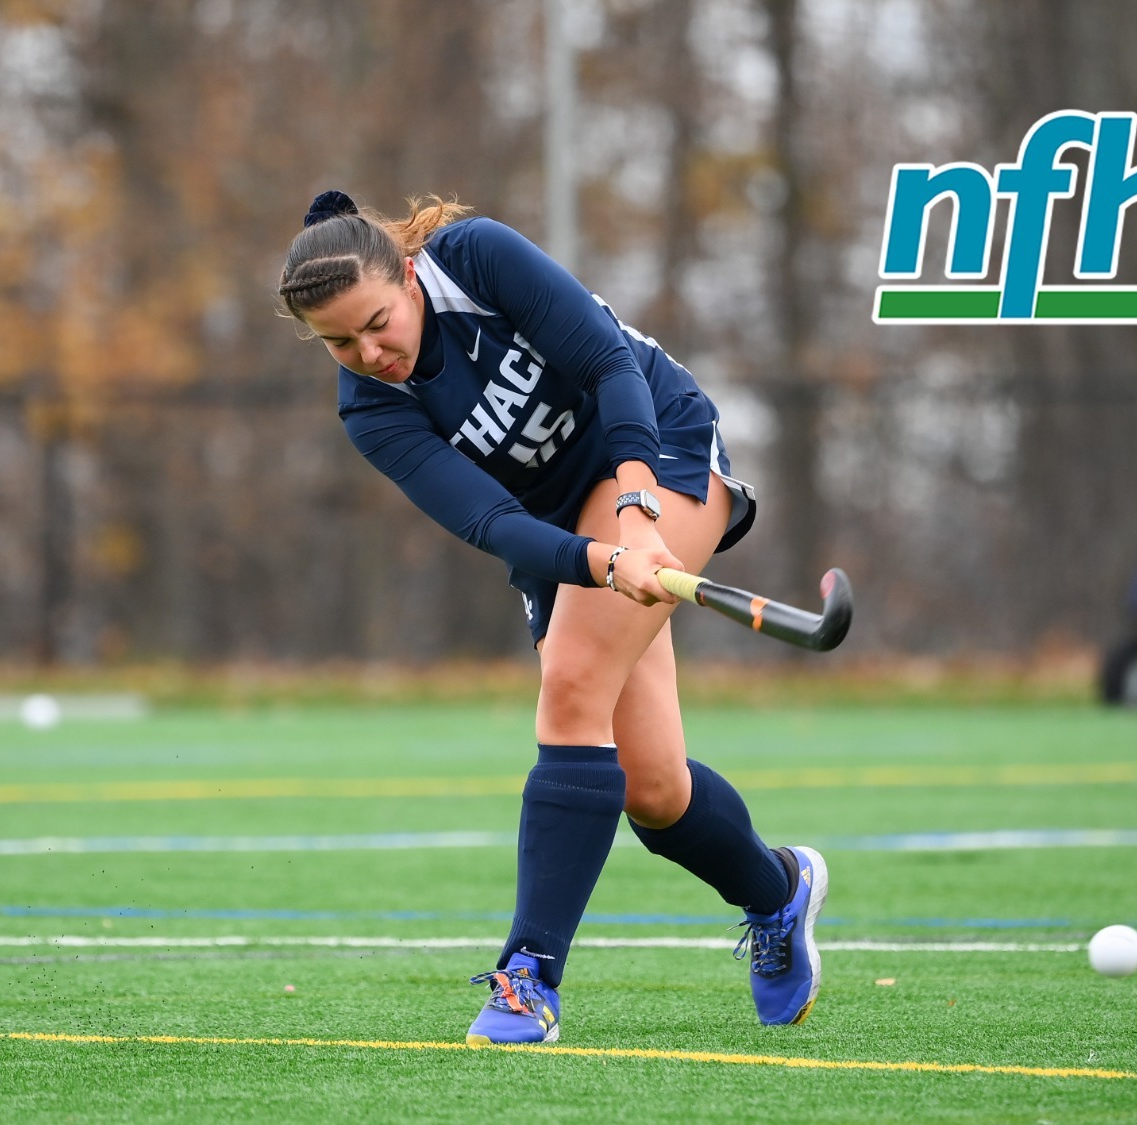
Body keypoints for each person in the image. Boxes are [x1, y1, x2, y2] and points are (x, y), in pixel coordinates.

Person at [276, 190, 828, 1046]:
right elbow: (491, 523)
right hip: (558, 528)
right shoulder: (371, 408)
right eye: (339, 343)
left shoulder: (477, 259)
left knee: (570, 683)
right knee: (653, 790)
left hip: (654, 439)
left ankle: (528, 975)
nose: (368, 352)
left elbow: (610, 365)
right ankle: (778, 890)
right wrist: (602, 561)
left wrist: (637, 514)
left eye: (376, 322)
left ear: (409, 276)